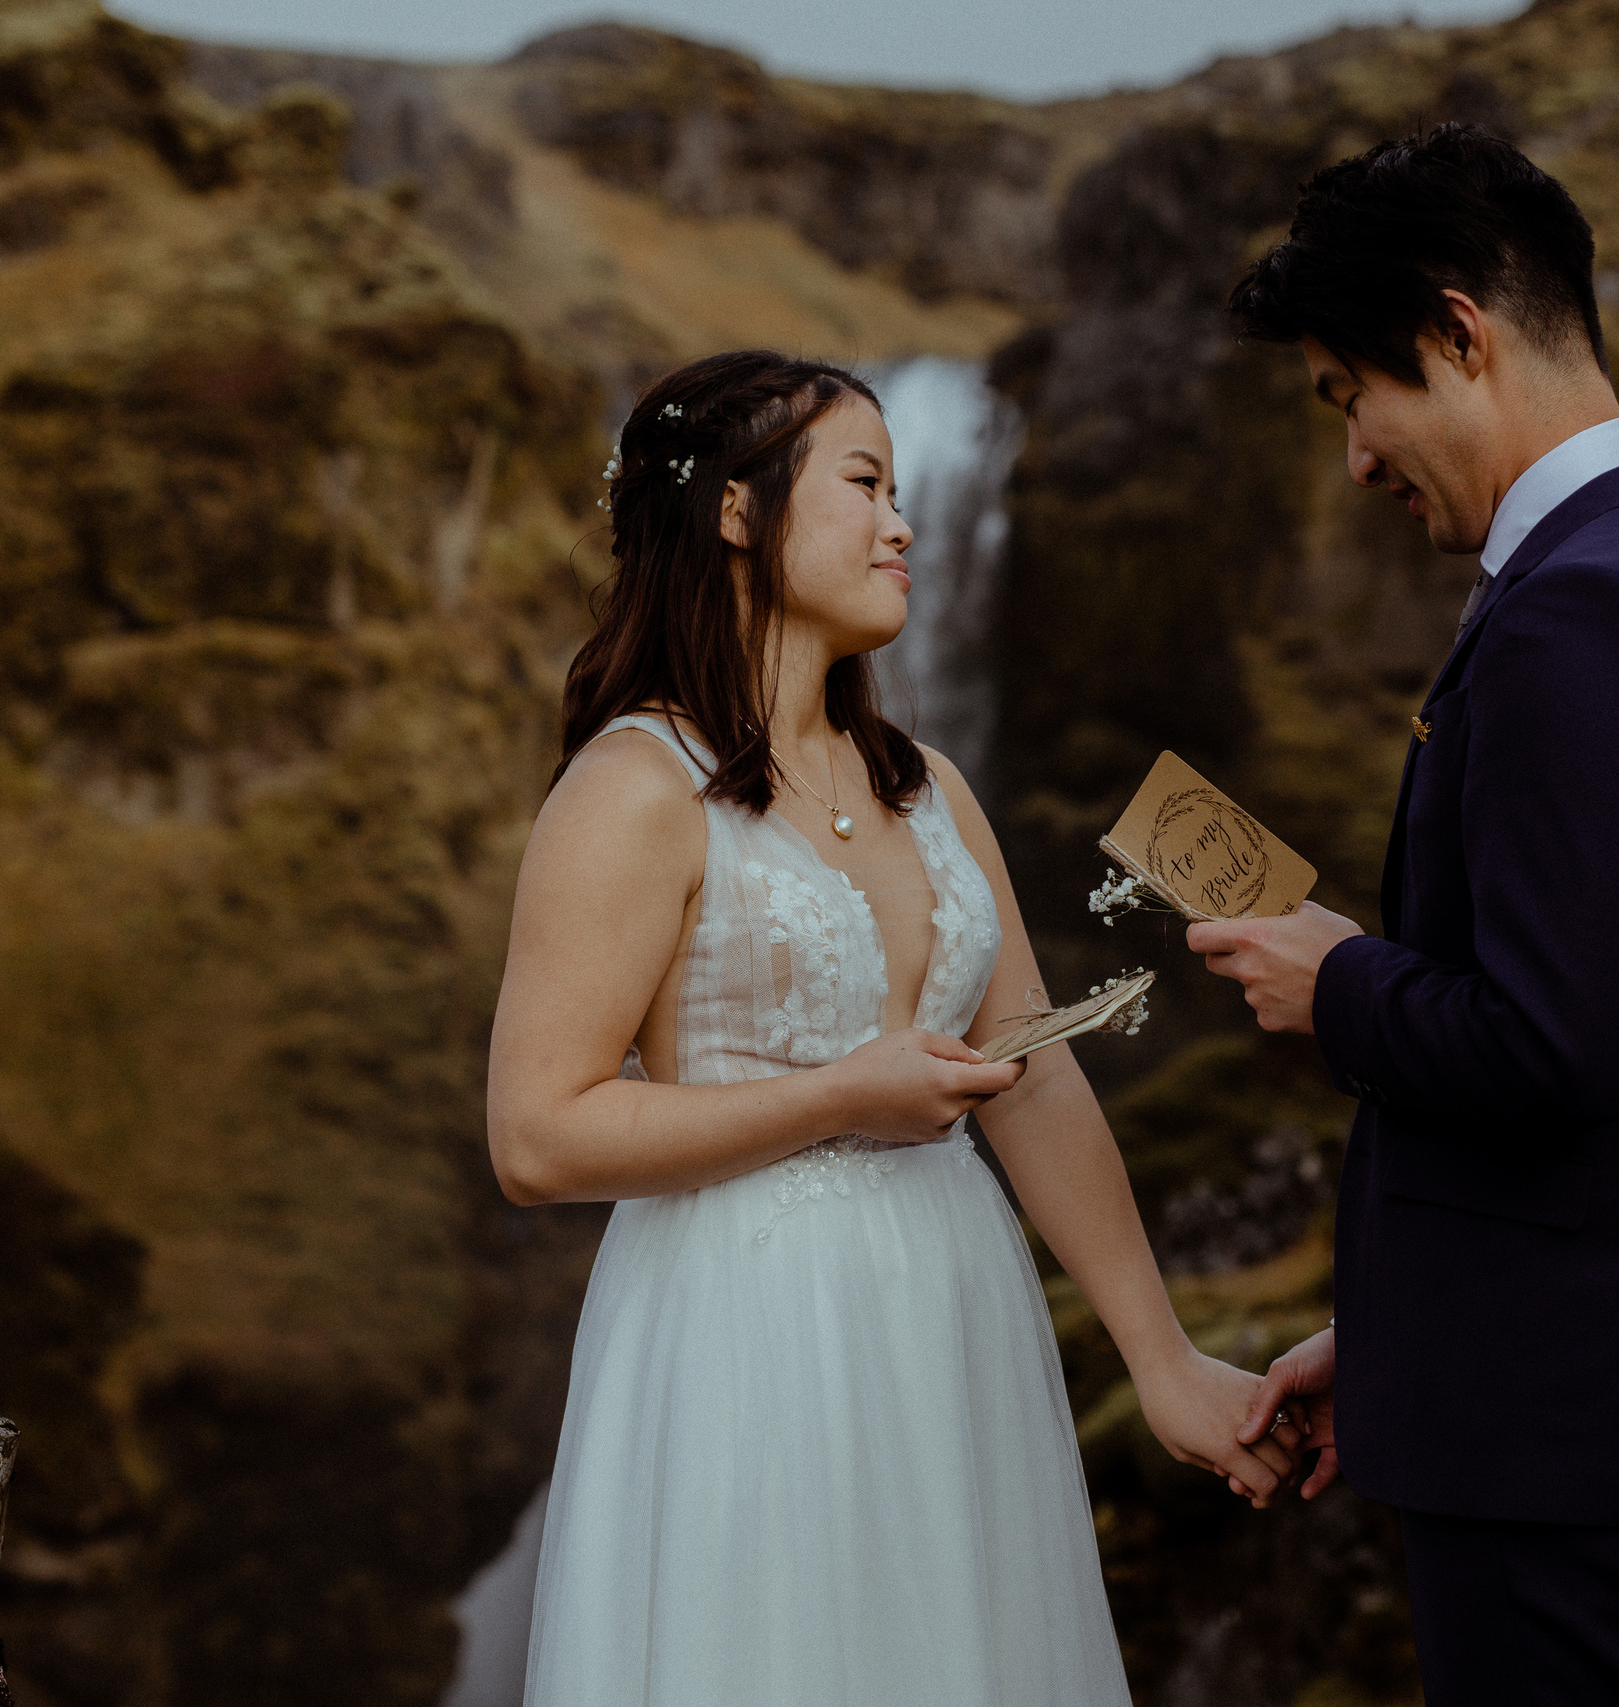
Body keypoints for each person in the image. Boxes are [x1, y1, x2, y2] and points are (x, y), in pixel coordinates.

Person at [486, 350, 1297, 1704]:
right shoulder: (636, 790)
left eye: (903, 490)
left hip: (957, 1319)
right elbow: (536, 1135)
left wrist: (1162, 1361)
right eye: (863, 485)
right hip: (749, 1330)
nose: (901, 526)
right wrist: (833, 1099)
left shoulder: (932, 788)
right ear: (737, 514)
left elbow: (1030, 1082)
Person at [1189, 126, 1619, 1704]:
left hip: (1564, 1437)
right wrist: (1398, 1337)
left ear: (1462, 335)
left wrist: (1336, 980)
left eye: (1351, 394)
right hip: (1565, 1399)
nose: (1356, 457)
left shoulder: (1586, 609)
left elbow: (1552, 1045)